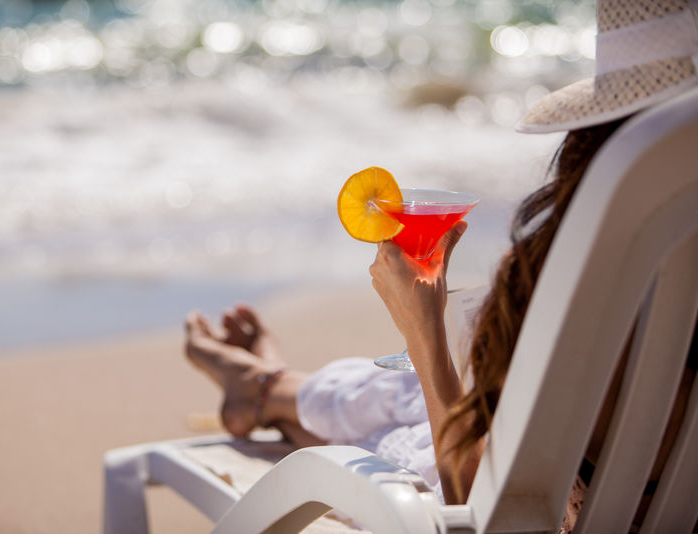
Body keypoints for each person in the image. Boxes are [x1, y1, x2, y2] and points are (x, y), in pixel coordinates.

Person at [185, 0, 698, 529]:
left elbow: (479, 507)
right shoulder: (672, 272)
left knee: (400, 423)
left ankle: (264, 390)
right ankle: (266, 386)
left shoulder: (576, 270)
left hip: (540, 510)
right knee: (407, 390)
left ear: (593, 136)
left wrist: (421, 328)